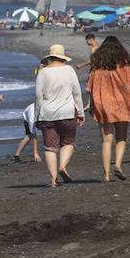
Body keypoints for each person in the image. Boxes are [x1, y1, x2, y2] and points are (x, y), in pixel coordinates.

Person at [86, 35, 130, 181]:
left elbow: (92, 87)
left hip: (103, 104)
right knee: (121, 137)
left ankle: (106, 175)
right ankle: (117, 165)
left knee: (106, 141)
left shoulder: (97, 65)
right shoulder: (124, 63)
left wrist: (91, 104)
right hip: (121, 103)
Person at [35, 44, 84, 186]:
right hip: (67, 112)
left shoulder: (43, 72)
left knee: (50, 147)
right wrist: (80, 112)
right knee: (68, 142)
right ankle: (62, 166)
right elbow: (76, 93)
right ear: (63, 57)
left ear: (50, 57)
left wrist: (37, 116)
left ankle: (53, 179)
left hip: (47, 114)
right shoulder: (69, 70)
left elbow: (38, 96)